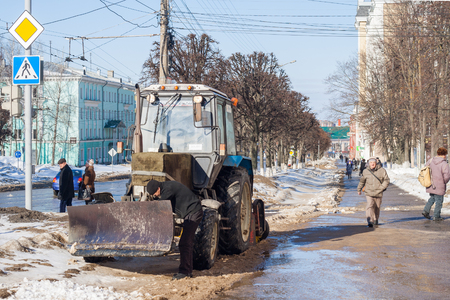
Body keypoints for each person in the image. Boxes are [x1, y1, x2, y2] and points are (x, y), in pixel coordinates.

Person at [146, 180, 203, 280]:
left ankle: (184, 272)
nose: (155, 195)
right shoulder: (167, 187)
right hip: (190, 213)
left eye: (155, 193)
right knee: (186, 243)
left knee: (184, 243)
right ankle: (188, 271)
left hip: (194, 213)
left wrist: (147, 209)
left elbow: (161, 204)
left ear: (158, 188)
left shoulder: (168, 188)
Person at [357, 157, 390, 227]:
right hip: (369, 192)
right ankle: (370, 221)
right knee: (370, 205)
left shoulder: (382, 170)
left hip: (378, 192)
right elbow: (362, 181)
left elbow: (387, 180)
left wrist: (382, 187)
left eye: (373, 163)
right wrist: (359, 189)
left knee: (377, 207)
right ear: (369, 164)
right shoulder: (365, 171)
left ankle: (376, 219)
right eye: (371, 163)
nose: (372, 164)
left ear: (376, 163)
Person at [422, 147, 450, 221]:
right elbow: (447, 176)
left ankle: (426, 211)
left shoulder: (431, 160)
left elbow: (425, 168)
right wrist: (444, 182)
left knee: (432, 198)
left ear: (437, 153)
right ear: (444, 155)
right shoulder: (444, 164)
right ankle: (436, 216)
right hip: (440, 185)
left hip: (431, 183)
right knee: (439, 201)